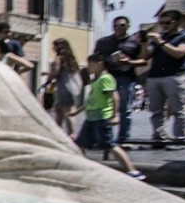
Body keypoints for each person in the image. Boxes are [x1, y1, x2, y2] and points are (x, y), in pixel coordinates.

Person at [77, 51, 144, 179]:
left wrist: (115, 115)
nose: (88, 67)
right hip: (91, 117)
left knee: (110, 145)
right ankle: (83, 171)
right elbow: (91, 99)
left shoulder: (106, 79)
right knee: (81, 144)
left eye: (90, 64)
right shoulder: (96, 80)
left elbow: (114, 97)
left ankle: (132, 171)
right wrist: (78, 111)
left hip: (101, 117)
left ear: (99, 63)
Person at [143, 8, 185, 147]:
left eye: (167, 22)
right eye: (161, 23)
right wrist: (144, 43)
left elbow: (179, 53)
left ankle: (179, 137)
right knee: (156, 110)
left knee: (178, 109)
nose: (164, 25)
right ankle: (158, 136)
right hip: (154, 76)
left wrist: (161, 42)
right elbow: (145, 56)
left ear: (177, 22)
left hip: (174, 76)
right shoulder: (160, 37)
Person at [93, 15, 142, 147]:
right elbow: (95, 58)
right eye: (116, 25)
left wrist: (130, 61)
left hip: (126, 77)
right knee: (102, 108)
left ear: (128, 26)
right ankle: (103, 138)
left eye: (122, 25)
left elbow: (143, 60)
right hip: (106, 77)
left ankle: (123, 138)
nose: (118, 28)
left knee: (125, 109)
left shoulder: (135, 42)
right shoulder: (103, 42)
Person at [43, 39, 84, 133]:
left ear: (60, 47)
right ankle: (59, 133)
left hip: (63, 89)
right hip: (71, 89)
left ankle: (71, 134)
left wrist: (48, 78)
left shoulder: (59, 58)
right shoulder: (71, 60)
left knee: (66, 112)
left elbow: (55, 71)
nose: (53, 48)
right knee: (59, 110)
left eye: (54, 46)